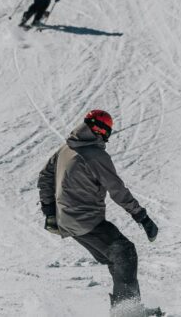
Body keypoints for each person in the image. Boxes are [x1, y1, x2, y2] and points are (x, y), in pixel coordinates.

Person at [38, 110, 161, 316]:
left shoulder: (65, 148)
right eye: (108, 131)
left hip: (67, 221)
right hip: (86, 221)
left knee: (117, 257)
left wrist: (50, 211)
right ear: (100, 130)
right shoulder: (95, 155)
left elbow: (45, 176)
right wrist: (141, 217)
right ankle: (128, 312)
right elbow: (117, 190)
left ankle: (125, 308)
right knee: (125, 253)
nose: (108, 136)